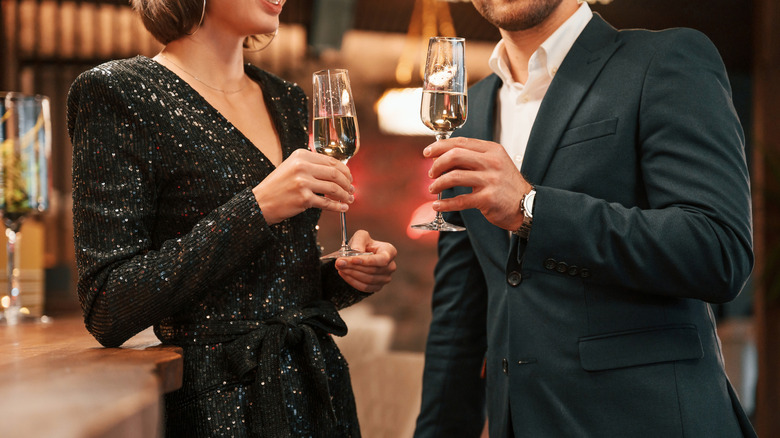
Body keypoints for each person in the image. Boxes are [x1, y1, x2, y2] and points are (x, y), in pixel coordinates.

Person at [414, 0, 755, 437]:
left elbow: (717, 251)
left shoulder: (666, 59)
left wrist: (531, 209)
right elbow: (457, 323)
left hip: (649, 421)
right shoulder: (468, 112)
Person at [67, 0, 397, 436]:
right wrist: (256, 208)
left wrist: (343, 273)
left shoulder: (289, 99)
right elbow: (107, 306)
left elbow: (269, 288)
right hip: (217, 407)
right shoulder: (116, 92)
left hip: (318, 390)